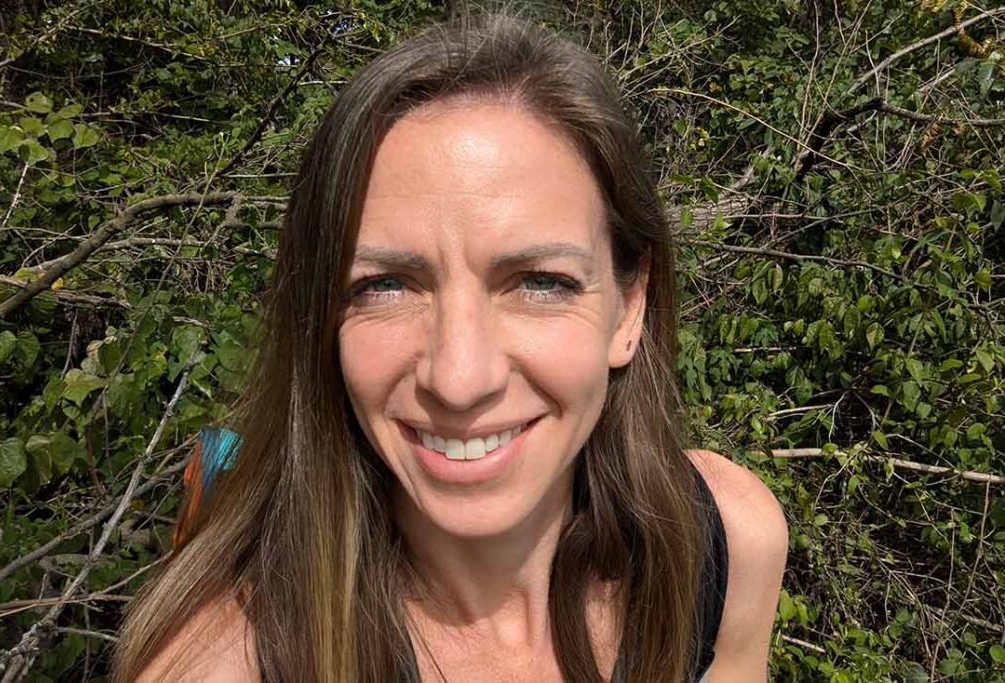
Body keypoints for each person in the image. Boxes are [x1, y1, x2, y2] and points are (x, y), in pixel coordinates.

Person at [112, 10, 787, 683]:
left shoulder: (721, 545)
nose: (460, 379)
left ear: (628, 307)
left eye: (540, 282)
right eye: (385, 286)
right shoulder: (225, 665)